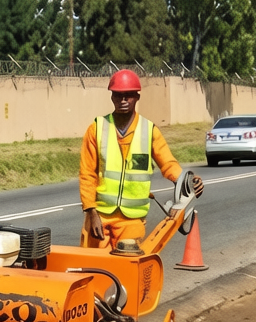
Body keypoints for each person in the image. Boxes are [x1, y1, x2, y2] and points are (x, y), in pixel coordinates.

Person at [79, 69, 203, 249]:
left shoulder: (149, 131)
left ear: (137, 97)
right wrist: (91, 211)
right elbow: (87, 174)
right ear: (112, 97)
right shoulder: (96, 129)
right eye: (118, 95)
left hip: (132, 220)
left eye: (128, 95)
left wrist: (188, 182)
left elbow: (168, 164)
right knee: (94, 269)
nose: (123, 100)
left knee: (126, 269)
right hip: (100, 216)